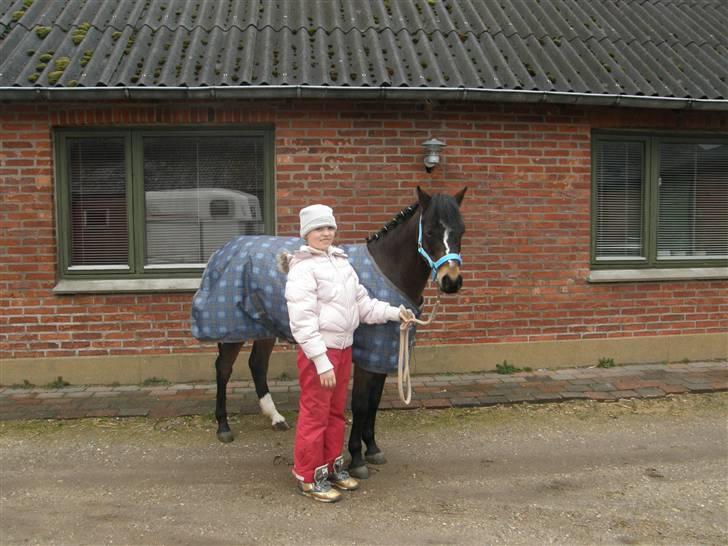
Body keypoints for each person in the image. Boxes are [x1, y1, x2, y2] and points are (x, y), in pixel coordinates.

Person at [282, 204, 412, 503]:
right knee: (315, 414)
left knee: (336, 413)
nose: (325, 233)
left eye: (329, 227)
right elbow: (302, 322)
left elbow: (363, 304)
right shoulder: (302, 269)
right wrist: (321, 361)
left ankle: (329, 467)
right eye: (318, 229)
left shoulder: (342, 263)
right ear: (306, 233)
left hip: (343, 349)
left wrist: (395, 312)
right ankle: (307, 475)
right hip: (320, 354)